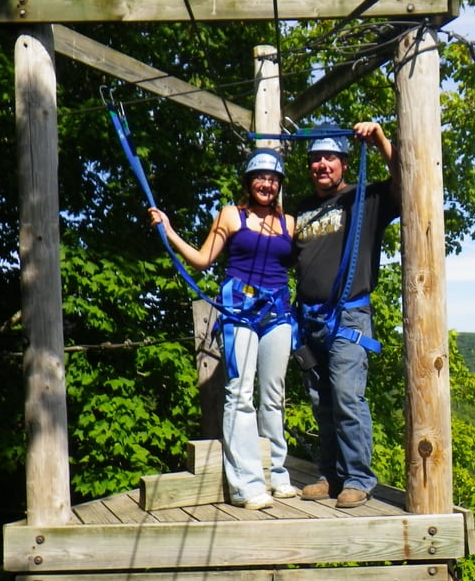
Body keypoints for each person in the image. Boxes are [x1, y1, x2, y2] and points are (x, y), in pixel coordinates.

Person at [149, 148, 298, 510]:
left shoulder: (288, 223)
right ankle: (247, 485)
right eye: (261, 178)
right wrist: (168, 231)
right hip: (241, 308)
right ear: (249, 182)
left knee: (274, 396)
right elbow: (202, 260)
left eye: (273, 179)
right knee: (240, 393)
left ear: (279, 185)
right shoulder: (232, 215)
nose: (267, 184)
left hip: (277, 311)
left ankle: (278, 474)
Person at [293, 121, 400, 508]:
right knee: (321, 401)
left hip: (347, 319)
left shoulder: (365, 199)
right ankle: (331, 474)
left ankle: (358, 477)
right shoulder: (302, 209)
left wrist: (380, 139)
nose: (322, 165)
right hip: (310, 321)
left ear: (343, 162)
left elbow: (405, 179)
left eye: (330, 158)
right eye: (316, 159)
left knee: (346, 398)